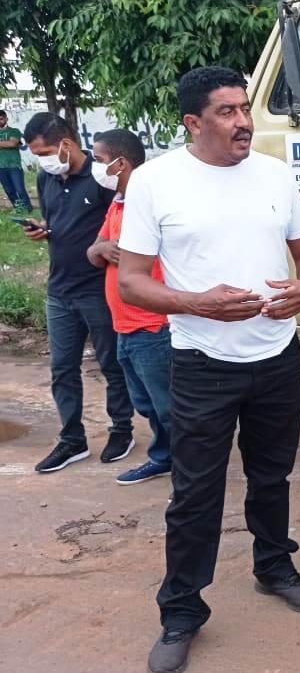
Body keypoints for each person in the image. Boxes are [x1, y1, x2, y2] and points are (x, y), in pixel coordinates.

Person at [117, 66, 300, 673]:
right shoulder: (157, 182)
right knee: (195, 493)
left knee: (272, 476)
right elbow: (132, 281)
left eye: (245, 108)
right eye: (228, 112)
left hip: (276, 355)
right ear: (193, 122)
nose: (244, 122)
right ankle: (181, 610)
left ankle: (274, 567)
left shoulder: (275, 174)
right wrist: (196, 302)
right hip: (203, 361)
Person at [24, 112, 135, 473]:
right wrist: (45, 230)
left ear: (66, 144)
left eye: (43, 152)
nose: (39, 161)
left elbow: (118, 229)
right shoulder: (47, 177)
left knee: (112, 365)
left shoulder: (103, 178)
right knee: (62, 369)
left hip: (97, 290)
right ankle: (72, 440)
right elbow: (58, 222)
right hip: (59, 290)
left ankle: (123, 429)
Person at [85, 129, 173, 486]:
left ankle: (191, 477)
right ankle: (166, 458)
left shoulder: (151, 202)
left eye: (100, 160)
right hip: (124, 325)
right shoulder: (119, 201)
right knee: (148, 405)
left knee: (170, 408)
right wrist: (103, 249)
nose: (96, 166)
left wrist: (106, 249)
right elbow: (94, 251)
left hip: (153, 325)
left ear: (120, 163)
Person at [0, 110, 32, 212]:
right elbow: (9, 143)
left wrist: (9, 143)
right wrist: (6, 143)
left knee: (20, 189)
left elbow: (12, 144)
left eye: (1, 119)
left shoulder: (14, 131)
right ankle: (19, 209)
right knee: (9, 191)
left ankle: (28, 209)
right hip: (1, 167)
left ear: (6, 119)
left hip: (14, 166)